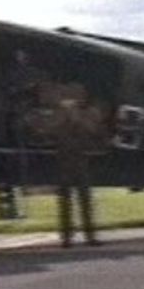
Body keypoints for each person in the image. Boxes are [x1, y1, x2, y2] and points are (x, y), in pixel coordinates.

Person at [49, 85, 106, 247]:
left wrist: (78, 117)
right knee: (66, 201)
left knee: (85, 200)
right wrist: (66, 115)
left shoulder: (86, 115)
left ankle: (89, 235)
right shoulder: (59, 115)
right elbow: (53, 131)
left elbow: (92, 131)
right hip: (65, 161)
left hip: (80, 161)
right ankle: (67, 237)